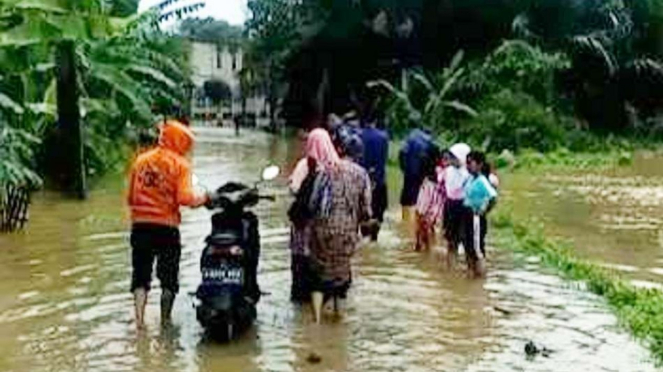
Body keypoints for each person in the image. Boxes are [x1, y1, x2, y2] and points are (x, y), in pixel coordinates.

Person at [127, 120, 210, 329]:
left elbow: (130, 197)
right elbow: (185, 198)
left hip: (140, 226)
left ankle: (139, 322)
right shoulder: (180, 165)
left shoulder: (141, 161)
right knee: (169, 277)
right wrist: (205, 198)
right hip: (167, 227)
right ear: (181, 142)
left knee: (140, 274)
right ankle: (165, 321)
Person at [306, 129, 372, 323]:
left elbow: (313, 202)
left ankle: (316, 321)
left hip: (321, 231)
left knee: (319, 276)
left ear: (340, 149)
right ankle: (337, 317)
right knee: (341, 275)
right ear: (358, 155)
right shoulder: (362, 174)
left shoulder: (326, 169)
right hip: (347, 233)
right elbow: (366, 210)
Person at [462, 151, 498, 277]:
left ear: (479, 165)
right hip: (466, 214)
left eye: (470, 163)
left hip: (475, 216)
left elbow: (493, 197)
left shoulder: (482, 180)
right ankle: (470, 273)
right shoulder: (470, 179)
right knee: (468, 246)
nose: (467, 166)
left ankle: (481, 278)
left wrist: (485, 211)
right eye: (466, 163)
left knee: (477, 249)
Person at [399, 128, 436, 224]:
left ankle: (404, 221)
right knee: (418, 199)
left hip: (408, 174)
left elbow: (401, 153)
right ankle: (414, 224)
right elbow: (431, 161)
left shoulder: (409, 138)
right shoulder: (430, 143)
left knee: (406, 198)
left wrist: (404, 169)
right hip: (421, 176)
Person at [442, 143, 471, 267]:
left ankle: (470, 268)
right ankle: (451, 269)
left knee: (466, 241)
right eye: (451, 157)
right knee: (451, 241)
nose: (452, 160)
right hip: (450, 206)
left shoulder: (468, 174)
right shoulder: (448, 171)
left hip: (464, 207)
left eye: (455, 157)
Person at [361, 117, 389, 241]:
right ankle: (374, 239)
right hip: (379, 180)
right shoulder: (383, 137)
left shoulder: (358, 135)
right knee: (378, 212)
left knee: (362, 212)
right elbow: (383, 159)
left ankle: (364, 236)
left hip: (362, 180)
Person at [414, 148, 446, 251]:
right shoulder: (441, 171)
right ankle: (426, 246)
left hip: (430, 195)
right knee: (428, 223)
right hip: (433, 198)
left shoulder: (438, 172)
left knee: (423, 221)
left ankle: (423, 246)